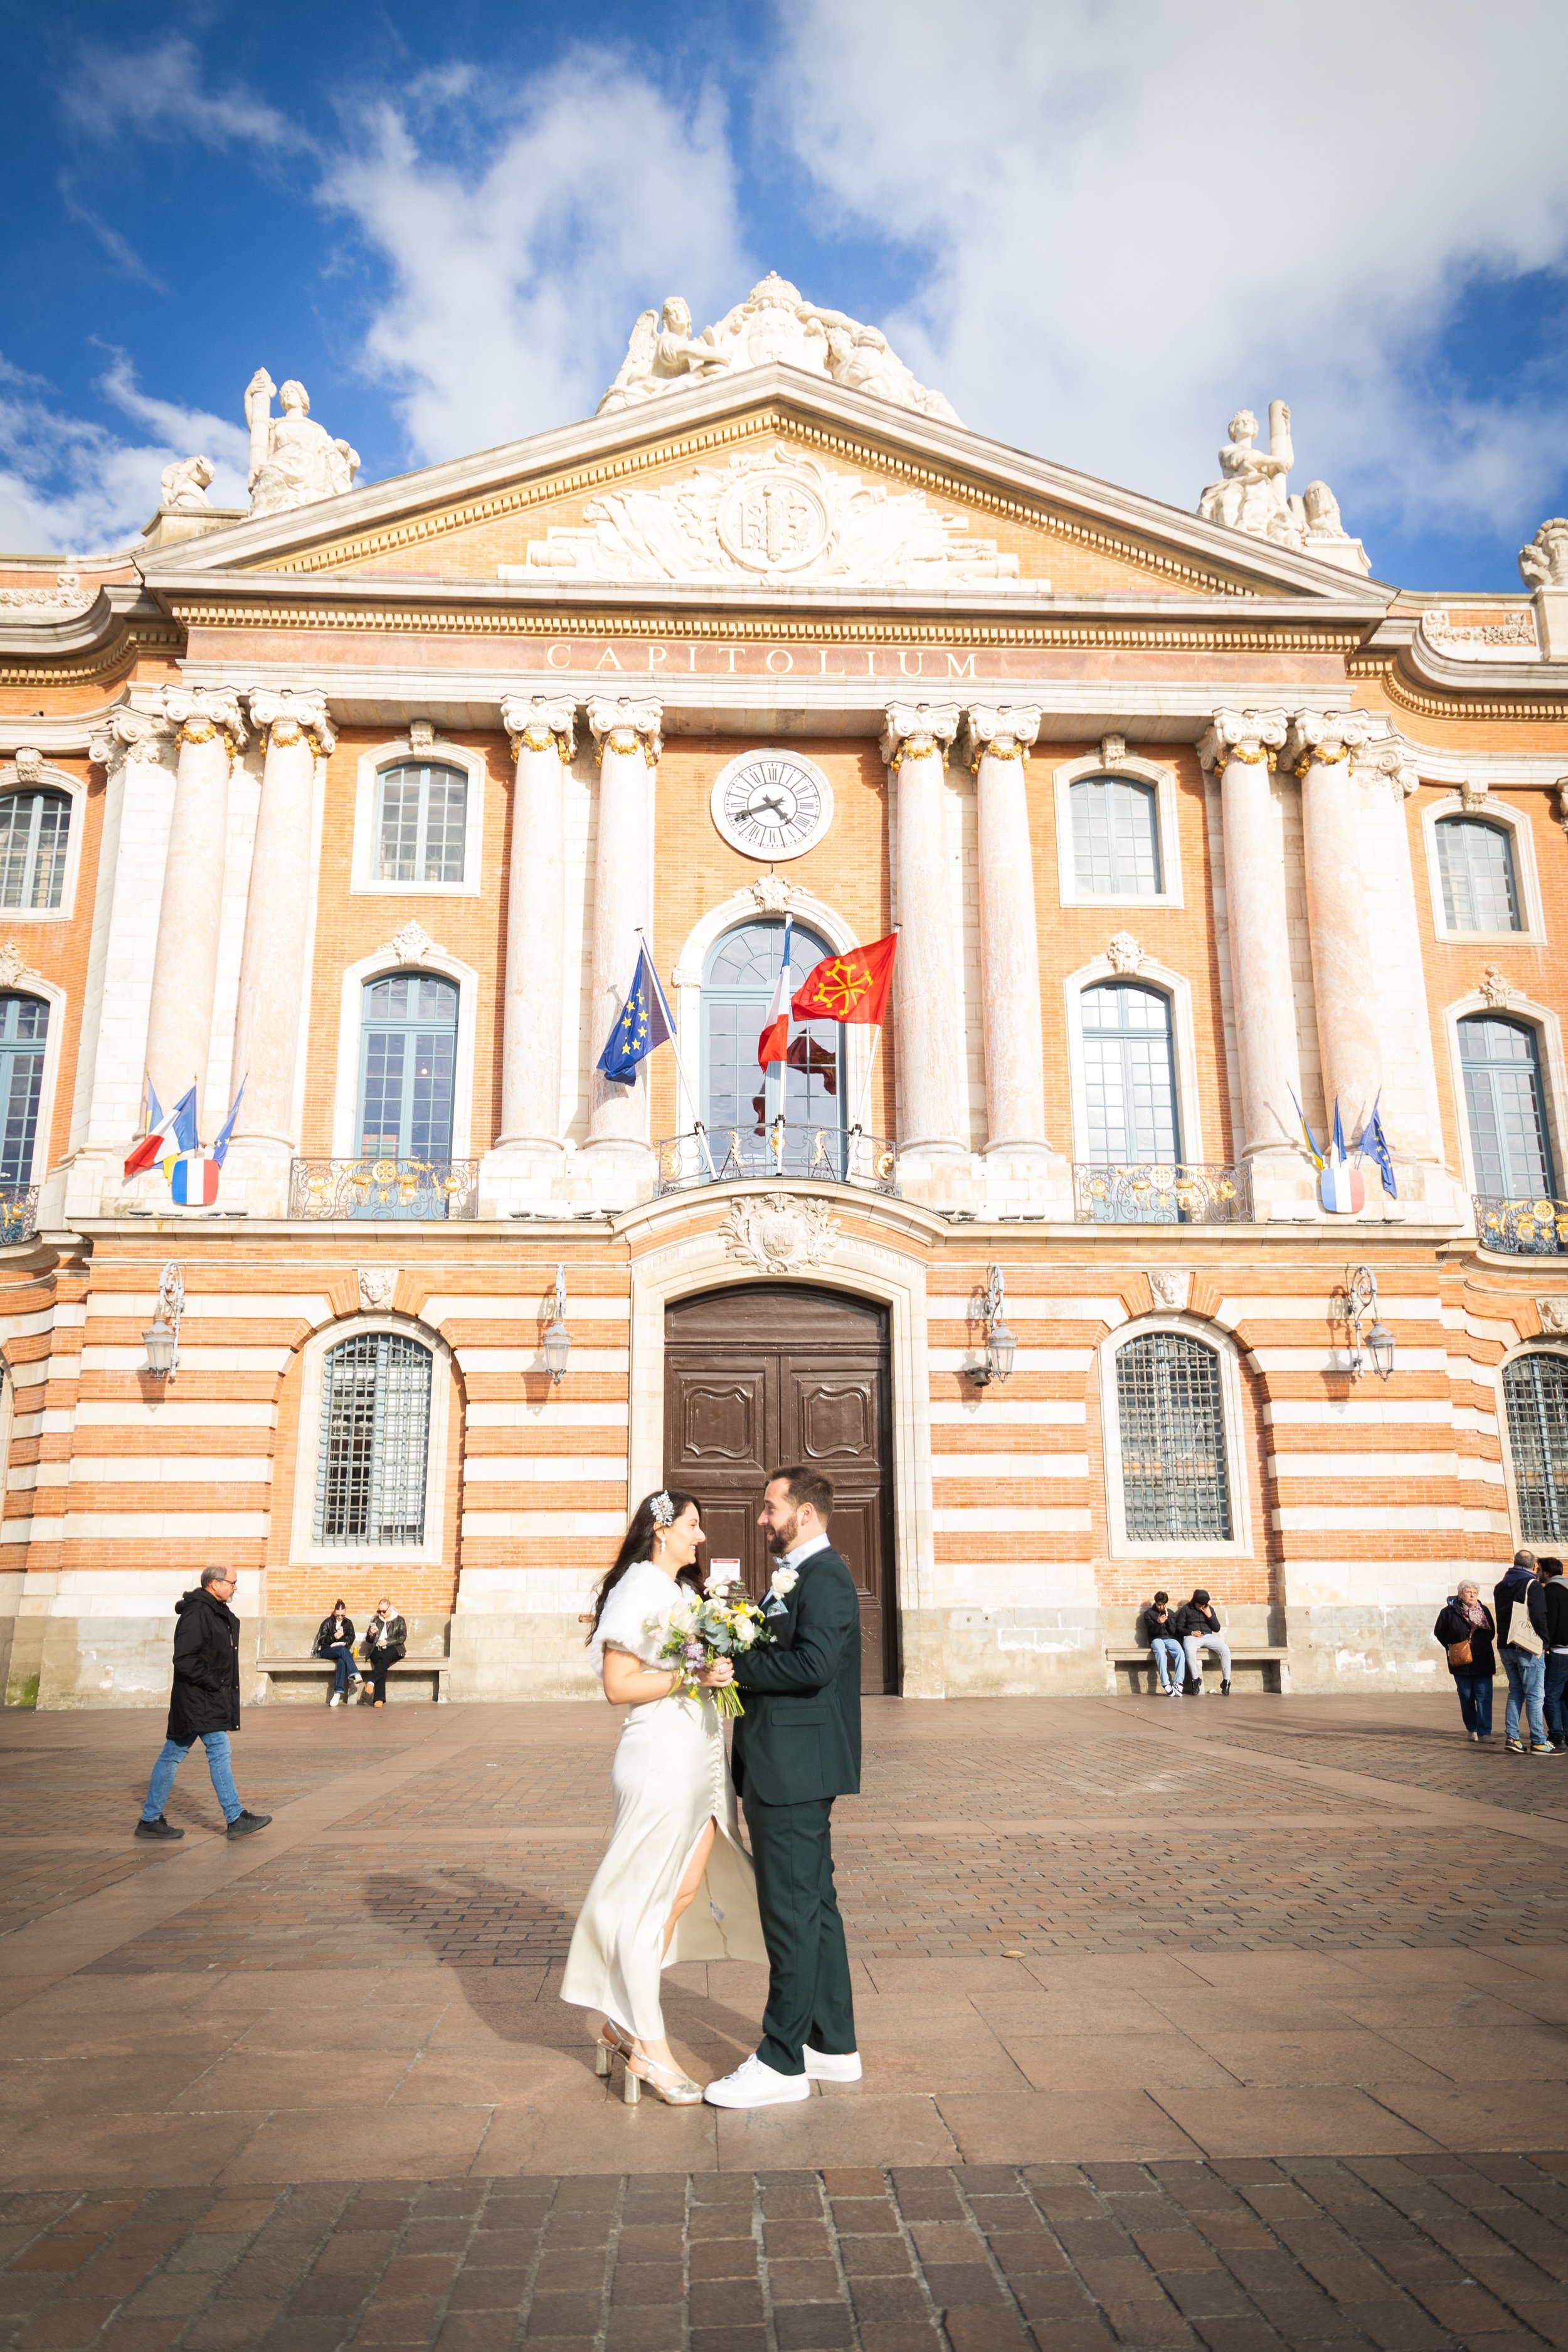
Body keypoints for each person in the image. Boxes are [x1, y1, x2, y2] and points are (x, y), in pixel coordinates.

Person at [561, 1490, 765, 2105]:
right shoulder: (635, 1589)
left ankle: (619, 2029)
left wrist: (720, 1670)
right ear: (661, 1529)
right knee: (646, 1904)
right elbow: (619, 1687)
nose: (701, 1537)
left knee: (676, 1896)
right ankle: (650, 2049)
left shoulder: (683, 1594)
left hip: (698, 1759)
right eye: (693, 1526)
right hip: (657, 1759)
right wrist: (692, 1675)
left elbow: (697, 1664)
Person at [705, 1466, 863, 2111]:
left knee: (790, 1916)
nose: (762, 1518)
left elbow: (815, 1664)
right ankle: (833, 2045)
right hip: (785, 1766)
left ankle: (781, 2059)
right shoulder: (794, 1578)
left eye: (771, 1508)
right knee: (814, 1909)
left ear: (805, 1513)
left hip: (795, 1772)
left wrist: (735, 1663)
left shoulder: (825, 1577)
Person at [135, 1565, 271, 1840]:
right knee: (218, 1751)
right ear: (215, 1584)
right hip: (198, 1699)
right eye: (232, 1583)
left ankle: (150, 1818)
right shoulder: (197, 1612)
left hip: (204, 1699)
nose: (235, 1587)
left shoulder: (214, 1610)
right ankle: (234, 1817)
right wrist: (214, 1683)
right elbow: (185, 1659)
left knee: (173, 1754)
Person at [1494, 1550, 1552, 1754]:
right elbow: (1539, 1615)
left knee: (1516, 1691)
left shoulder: (1500, 1586)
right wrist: (1545, 1640)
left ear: (1514, 1563)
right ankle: (1538, 1740)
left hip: (1506, 1644)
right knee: (1535, 1695)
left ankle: (1513, 1738)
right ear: (1534, 1566)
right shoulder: (1532, 1585)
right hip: (1526, 1646)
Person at [1432, 1580, 1496, 1740]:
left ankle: (1485, 1732)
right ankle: (1472, 1728)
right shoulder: (1448, 1612)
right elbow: (1439, 1633)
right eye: (1469, 1592)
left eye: (1475, 1592)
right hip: (1461, 1662)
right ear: (1460, 1594)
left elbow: (1491, 1633)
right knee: (1466, 1696)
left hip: (1483, 1660)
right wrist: (1454, 1646)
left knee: (1484, 1696)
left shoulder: (1484, 1610)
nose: (1473, 1595)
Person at [1173, 1588, 1231, 1695]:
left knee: (1225, 1650)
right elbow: (1179, 1628)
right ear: (1194, 1601)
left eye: (1204, 1605)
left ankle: (1226, 1681)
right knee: (1189, 1650)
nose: (1201, 1608)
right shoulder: (1186, 1609)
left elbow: (1217, 1629)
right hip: (1192, 1637)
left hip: (1208, 1636)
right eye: (1199, 1605)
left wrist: (1210, 1616)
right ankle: (1195, 1680)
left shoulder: (1209, 1609)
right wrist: (1191, 1632)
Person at [1538, 1558, 1568, 1749]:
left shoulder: (1551, 1590)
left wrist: (1545, 1644)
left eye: (1540, 1569)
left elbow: (1551, 1621)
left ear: (1548, 1573)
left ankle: (1557, 1735)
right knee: (1564, 1694)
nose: (1537, 1573)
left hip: (1559, 1651)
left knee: (1550, 1694)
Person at [1137, 1591, 1185, 1696]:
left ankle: (1178, 1683)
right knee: (1160, 1652)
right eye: (1159, 1605)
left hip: (1169, 1638)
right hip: (1156, 1638)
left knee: (1180, 1652)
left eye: (1163, 1605)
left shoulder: (1171, 1613)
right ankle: (1165, 1683)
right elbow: (1151, 1632)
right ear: (1156, 1603)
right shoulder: (1148, 1614)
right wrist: (1158, 1623)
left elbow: (1173, 1631)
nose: (1161, 1607)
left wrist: (1167, 1620)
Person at [360, 1599, 406, 1705]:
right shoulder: (376, 1620)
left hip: (395, 1648)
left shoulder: (399, 1620)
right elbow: (369, 1640)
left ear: (390, 1608)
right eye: (379, 1611)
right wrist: (371, 1634)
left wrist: (387, 1642)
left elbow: (402, 1637)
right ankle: (379, 1699)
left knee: (384, 1657)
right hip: (376, 1649)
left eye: (384, 1611)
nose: (381, 1613)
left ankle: (371, 1683)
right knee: (382, 1662)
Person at [314, 1598, 358, 1706]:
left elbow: (352, 1637)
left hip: (340, 1651)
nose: (340, 1617)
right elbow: (320, 1640)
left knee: (342, 1661)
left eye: (342, 1615)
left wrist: (342, 1642)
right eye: (338, 1615)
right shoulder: (328, 1622)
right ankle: (355, 1673)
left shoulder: (348, 1623)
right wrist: (333, 1637)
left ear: (345, 1613)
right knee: (343, 1651)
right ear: (334, 1612)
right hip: (326, 1650)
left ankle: (337, 1693)